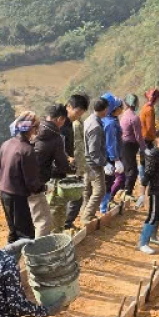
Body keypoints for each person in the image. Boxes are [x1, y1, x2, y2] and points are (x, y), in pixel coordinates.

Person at [0, 114, 44, 241]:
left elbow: (0, 171)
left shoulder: (6, 144)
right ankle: (27, 260)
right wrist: (43, 187)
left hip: (3, 193)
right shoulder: (27, 150)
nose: (37, 131)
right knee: (26, 234)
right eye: (36, 128)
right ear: (30, 129)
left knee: (13, 231)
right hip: (17, 197)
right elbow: (32, 183)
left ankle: (8, 259)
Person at [32, 106, 73, 236]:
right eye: (63, 121)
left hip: (25, 177)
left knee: (32, 216)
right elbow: (62, 164)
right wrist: (72, 168)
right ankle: (41, 250)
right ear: (60, 119)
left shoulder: (35, 128)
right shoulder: (56, 137)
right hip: (40, 181)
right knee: (45, 221)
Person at [78, 95, 112, 225]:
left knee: (87, 190)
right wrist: (104, 164)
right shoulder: (96, 126)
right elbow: (94, 151)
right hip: (93, 164)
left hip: (86, 161)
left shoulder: (89, 120)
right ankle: (87, 217)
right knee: (100, 190)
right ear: (105, 110)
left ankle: (83, 212)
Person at [63, 94, 90, 229]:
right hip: (68, 167)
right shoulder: (69, 125)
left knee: (75, 197)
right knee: (75, 197)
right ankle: (66, 224)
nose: (79, 114)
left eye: (82, 112)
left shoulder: (77, 123)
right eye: (78, 111)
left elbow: (79, 147)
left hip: (76, 165)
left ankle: (67, 223)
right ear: (69, 107)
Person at [117, 97, 144, 207]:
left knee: (126, 168)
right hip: (130, 145)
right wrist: (144, 149)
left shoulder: (124, 115)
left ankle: (122, 191)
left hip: (123, 144)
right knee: (132, 170)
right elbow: (138, 136)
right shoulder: (134, 117)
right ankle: (127, 192)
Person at [98, 95, 123, 211]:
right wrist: (116, 159)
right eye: (120, 106)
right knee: (108, 182)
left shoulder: (109, 120)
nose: (122, 109)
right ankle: (103, 208)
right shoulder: (110, 123)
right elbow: (110, 143)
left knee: (107, 181)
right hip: (109, 157)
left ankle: (104, 205)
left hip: (106, 155)